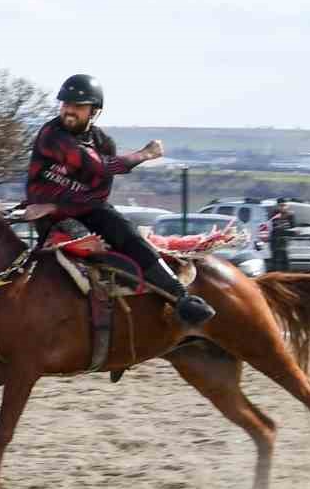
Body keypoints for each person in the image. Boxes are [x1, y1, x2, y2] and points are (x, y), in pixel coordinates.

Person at [25, 74, 215, 327]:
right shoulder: (52, 135)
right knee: (79, 244)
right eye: (65, 104)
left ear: (94, 111)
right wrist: (145, 154)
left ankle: (181, 298)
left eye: (78, 106)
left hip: (80, 209)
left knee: (127, 234)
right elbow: (98, 166)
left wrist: (56, 204)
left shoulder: (104, 143)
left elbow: (97, 196)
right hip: (48, 218)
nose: (69, 110)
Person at [267, 198, 295, 273]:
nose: (283, 207)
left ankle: (287, 275)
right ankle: (273, 275)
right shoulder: (273, 214)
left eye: (284, 205)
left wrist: (288, 231)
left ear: (287, 206)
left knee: (285, 260)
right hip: (274, 240)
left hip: (284, 241)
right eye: (281, 205)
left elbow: (293, 227)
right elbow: (270, 226)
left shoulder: (290, 215)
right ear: (278, 206)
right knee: (274, 260)